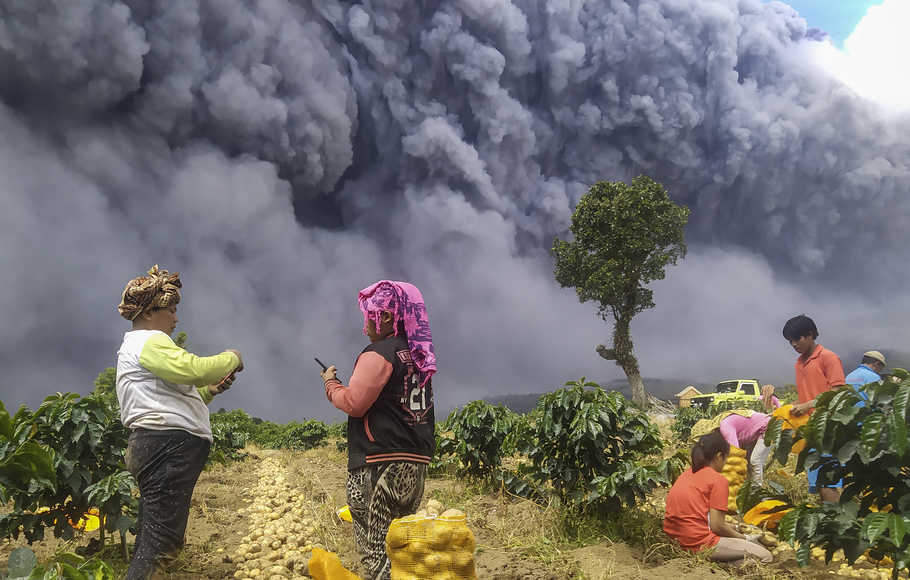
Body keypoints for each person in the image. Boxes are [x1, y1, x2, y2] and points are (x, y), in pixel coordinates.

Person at [116, 266, 243, 580]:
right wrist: (231, 357)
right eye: (171, 310)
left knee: (154, 537)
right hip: (164, 446)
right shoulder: (147, 341)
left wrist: (209, 392)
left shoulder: (142, 346)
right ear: (148, 313)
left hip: (159, 444)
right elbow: (194, 369)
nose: (175, 318)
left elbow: (175, 390)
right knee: (160, 544)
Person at [320, 280, 436, 580]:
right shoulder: (419, 359)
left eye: (368, 316)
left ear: (385, 316)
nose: (365, 326)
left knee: (376, 548)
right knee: (402, 544)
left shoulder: (379, 353)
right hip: (415, 463)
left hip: (378, 462)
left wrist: (331, 385)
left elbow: (355, 403)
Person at [664, 430, 773, 564]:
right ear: (719, 456)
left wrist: (733, 528)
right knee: (765, 555)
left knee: (744, 552)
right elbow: (717, 526)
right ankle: (726, 564)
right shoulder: (718, 480)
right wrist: (744, 538)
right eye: (726, 458)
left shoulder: (686, 474)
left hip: (676, 541)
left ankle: (723, 561)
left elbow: (700, 516)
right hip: (698, 544)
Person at [781, 314, 845, 502]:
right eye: (790, 341)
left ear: (810, 334)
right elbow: (808, 394)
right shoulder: (799, 364)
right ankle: (828, 522)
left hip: (828, 428)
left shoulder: (828, 358)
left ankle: (835, 524)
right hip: (809, 429)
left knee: (828, 481)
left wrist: (807, 405)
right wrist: (794, 407)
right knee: (816, 482)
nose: (794, 344)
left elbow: (837, 391)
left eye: (797, 339)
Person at [718, 412, 773, 486]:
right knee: (748, 462)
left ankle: (756, 491)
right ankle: (748, 488)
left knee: (755, 461)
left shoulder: (725, 427)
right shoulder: (724, 428)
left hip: (768, 427)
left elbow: (736, 453)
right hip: (755, 432)